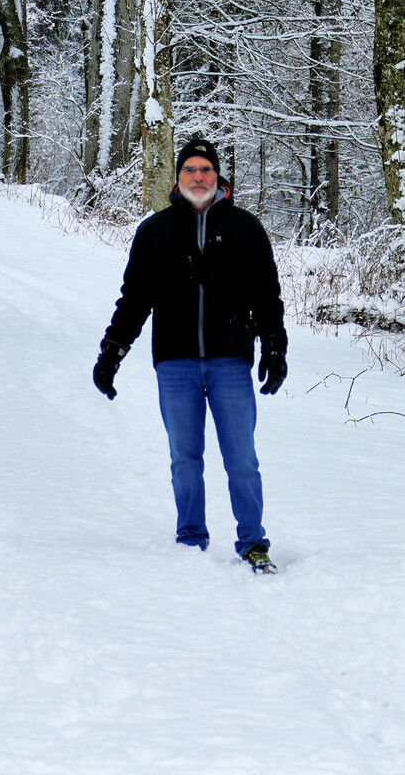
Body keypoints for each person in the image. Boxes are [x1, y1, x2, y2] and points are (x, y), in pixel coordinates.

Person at [93, 138, 287, 574]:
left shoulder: (246, 229)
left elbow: (267, 295)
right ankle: (190, 539)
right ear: (177, 178)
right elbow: (134, 300)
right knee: (185, 458)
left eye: (205, 169)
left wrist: (274, 346)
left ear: (218, 176)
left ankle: (253, 542)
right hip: (175, 362)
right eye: (190, 170)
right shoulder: (155, 231)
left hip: (231, 361)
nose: (198, 177)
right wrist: (112, 351)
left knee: (241, 458)